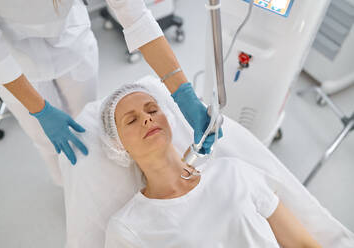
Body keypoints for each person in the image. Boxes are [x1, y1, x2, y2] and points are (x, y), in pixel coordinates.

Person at [0, 0, 220, 186]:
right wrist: (39, 110)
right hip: (12, 60)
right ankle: (68, 186)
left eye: (151, 110)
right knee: (47, 140)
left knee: (89, 125)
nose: (147, 119)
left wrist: (183, 92)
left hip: (71, 41)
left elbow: (137, 18)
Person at [101, 83, 321, 248]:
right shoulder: (127, 228)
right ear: (118, 145)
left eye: (152, 110)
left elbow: (303, 244)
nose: (147, 119)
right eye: (131, 120)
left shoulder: (232, 172)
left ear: (168, 118)